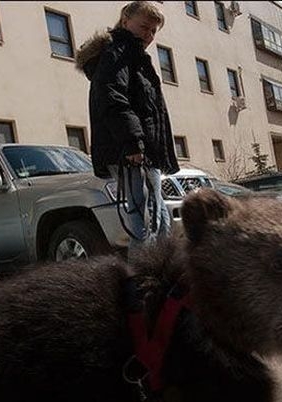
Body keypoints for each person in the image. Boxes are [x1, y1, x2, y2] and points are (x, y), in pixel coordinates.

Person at [75, 1, 179, 257]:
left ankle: (159, 279)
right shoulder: (118, 51)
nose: (149, 35)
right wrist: (132, 142)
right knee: (146, 225)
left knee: (158, 221)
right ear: (125, 20)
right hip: (131, 153)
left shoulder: (132, 55)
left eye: (154, 31)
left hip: (142, 152)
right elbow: (112, 97)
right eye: (144, 26)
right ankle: (143, 283)